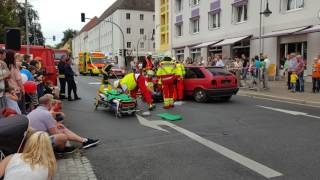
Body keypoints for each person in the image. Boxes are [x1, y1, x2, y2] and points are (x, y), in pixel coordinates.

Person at [27, 94, 99, 152]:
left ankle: (84, 141)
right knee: (62, 136)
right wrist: (61, 130)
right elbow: (54, 133)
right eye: (51, 103)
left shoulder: (34, 111)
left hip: (32, 140)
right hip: (37, 142)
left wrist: (58, 126)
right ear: (49, 104)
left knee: (61, 128)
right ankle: (61, 151)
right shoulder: (46, 113)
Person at [4, 50, 25, 114]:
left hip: (7, 90)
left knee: (9, 109)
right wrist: (23, 89)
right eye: (14, 56)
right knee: (19, 108)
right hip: (16, 90)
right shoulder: (14, 66)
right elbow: (18, 79)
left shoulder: (4, 66)